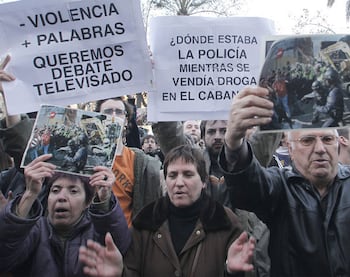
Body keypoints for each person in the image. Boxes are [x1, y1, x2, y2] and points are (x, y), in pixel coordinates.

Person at [219, 60, 350, 276]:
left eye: (328, 140)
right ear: (289, 149)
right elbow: (248, 186)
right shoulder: (280, 188)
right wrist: (234, 138)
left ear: (338, 143)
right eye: (308, 140)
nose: (320, 149)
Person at [79, 145, 256, 277]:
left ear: (203, 181)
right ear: (165, 181)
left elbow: (247, 270)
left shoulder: (225, 222)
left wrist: (232, 273)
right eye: (172, 175)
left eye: (187, 174)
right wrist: (120, 273)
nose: (179, 182)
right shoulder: (146, 222)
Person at [153, 119, 279, 276]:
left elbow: (269, 133)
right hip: (199, 248)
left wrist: (278, 102)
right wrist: (162, 103)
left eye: (224, 130)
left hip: (242, 246)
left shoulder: (249, 160)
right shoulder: (191, 161)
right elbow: (169, 134)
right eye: (212, 132)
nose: (218, 137)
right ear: (203, 136)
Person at [0, 154, 131, 276]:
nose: (61, 197)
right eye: (55, 190)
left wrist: (104, 200)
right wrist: (29, 194)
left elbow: (120, 245)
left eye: (73, 191)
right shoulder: (35, 230)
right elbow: (5, 255)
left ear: (87, 202)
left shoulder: (96, 232)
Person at [95, 98, 162, 227]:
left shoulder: (141, 161)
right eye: (108, 112)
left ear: (126, 120)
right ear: (98, 117)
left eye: (119, 112)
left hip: (130, 240)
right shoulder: (86, 157)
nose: (113, 116)